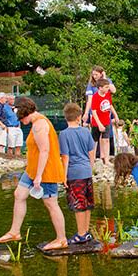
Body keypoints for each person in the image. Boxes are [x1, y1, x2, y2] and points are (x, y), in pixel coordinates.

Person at [0, 97, 67, 251]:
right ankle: (14, 232)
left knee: (51, 204)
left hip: (45, 170)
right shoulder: (36, 122)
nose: (20, 121)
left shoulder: (39, 125)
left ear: (24, 112)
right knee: (19, 195)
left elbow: (45, 151)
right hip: (32, 169)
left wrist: (40, 176)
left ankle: (61, 239)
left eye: (19, 117)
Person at [58, 103, 97, 245]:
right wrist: (90, 167)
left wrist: (63, 176)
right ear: (79, 117)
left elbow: (65, 157)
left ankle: (80, 234)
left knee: (78, 204)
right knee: (87, 203)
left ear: (66, 117)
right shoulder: (86, 131)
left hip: (74, 173)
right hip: (86, 171)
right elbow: (91, 152)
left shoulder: (63, 134)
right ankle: (85, 232)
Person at [83, 79, 118, 165]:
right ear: (100, 88)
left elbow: (110, 105)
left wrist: (116, 115)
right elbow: (94, 111)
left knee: (106, 140)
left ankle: (106, 159)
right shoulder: (95, 97)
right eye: (106, 87)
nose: (107, 89)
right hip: (96, 122)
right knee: (94, 141)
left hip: (106, 121)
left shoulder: (108, 94)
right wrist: (99, 124)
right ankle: (92, 159)